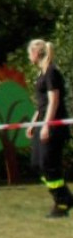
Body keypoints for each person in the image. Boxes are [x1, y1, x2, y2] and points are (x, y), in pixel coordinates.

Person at [26, 39, 73, 218]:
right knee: (37, 164)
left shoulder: (52, 73)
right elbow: (42, 105)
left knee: (48, 164)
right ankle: (65, 198)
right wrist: (34, 122)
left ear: (36, 54)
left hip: (53, 125)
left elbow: (54, 101)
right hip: (43, 122)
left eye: (30, 53)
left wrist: (46, 126)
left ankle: (62, 202)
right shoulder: (42, 73)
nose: (29, 57)